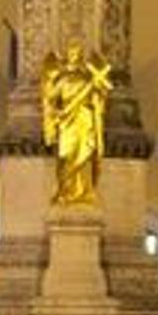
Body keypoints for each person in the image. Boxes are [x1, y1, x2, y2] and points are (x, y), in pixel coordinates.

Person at [41, 39, 112, 205]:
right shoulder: (62, 79)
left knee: (85, 154)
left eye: (77, 53)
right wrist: (54, 114)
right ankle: (66, 190)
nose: (74, 56)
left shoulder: (88, 77)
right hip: (67, 121)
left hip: (85, 119)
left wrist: (97, 92)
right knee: (66, 154)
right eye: (71, 53)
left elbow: (99, 99)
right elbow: (51, 99)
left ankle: (84, 192)